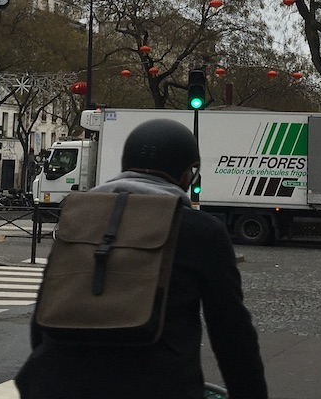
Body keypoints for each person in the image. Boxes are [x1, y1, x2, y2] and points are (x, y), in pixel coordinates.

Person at [15, 119, 268, 399]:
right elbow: (231, 334)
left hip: (53, 385)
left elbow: (42, 320)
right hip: (159, 386)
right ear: (186, 174)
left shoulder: (79, 216)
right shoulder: (200, 230)